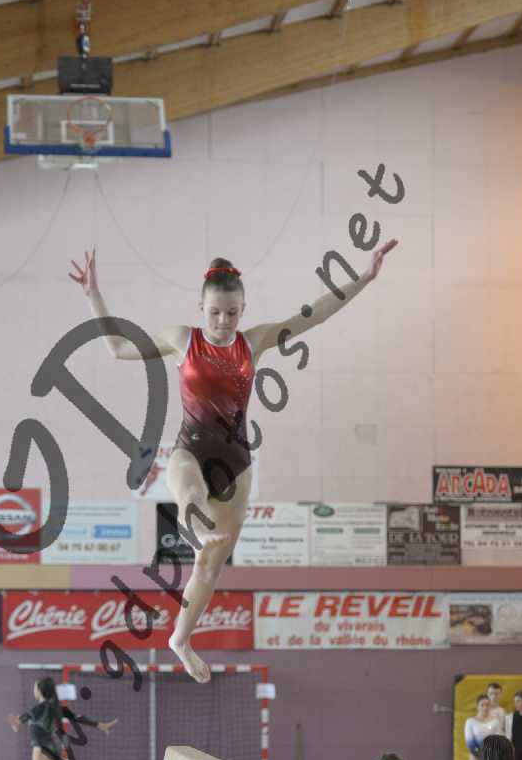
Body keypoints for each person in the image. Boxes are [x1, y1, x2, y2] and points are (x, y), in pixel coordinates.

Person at [70, 240, 397, 682]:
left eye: (232, 313)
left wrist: (365, 277)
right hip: (189, 448)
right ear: (200, 308)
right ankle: (196, 523)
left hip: (236, 463)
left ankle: (180, 639)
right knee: (189, 490)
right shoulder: (181, 339)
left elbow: (315, 315)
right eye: (214, 313)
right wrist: (93, 294)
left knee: (210, 563)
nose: (223, 322)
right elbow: (116, 348)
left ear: (243, 310)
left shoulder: (254, 342)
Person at [464, 694, 503, 760]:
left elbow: (498, 741)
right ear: (477, 706)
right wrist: (480, 755)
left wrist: (489, 755)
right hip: (475, 756)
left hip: (492, 757)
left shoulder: (495, 722)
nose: (485, 708)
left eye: (487, 705)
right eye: (482, 705)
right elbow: (470, 743)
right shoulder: (470, 722)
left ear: (490, 706)